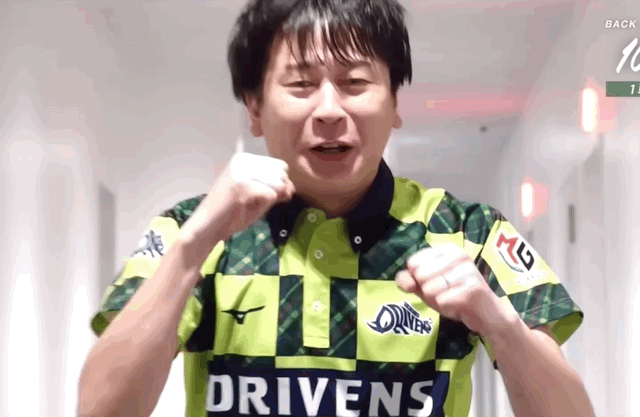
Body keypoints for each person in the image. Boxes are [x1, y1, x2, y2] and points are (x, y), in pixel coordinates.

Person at [78, 0, 595, 416]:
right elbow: (99, 409)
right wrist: (191, 251)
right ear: (255, 108)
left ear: (395, 104)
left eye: (354, 83)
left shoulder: (467, 232)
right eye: (301, 85)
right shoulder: (192, 229)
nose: (329, 110)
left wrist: (500, 325)